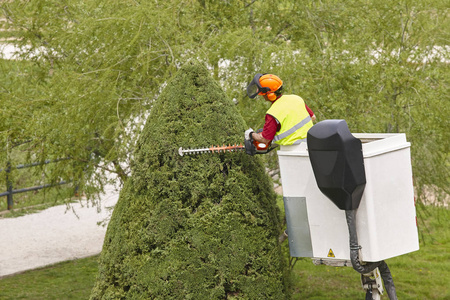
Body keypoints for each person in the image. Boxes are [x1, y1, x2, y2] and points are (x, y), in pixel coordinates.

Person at [245, 73, 316, 147]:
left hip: (291, 150)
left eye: (263, 94)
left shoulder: (272, 113)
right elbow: (312, 117)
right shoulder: (296, 98)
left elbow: (265, 139)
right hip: (312, 145)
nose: (262, 96)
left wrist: (251, 134)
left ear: (269, 94)